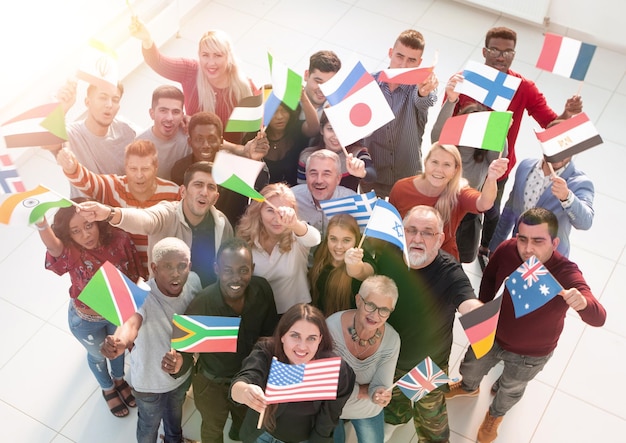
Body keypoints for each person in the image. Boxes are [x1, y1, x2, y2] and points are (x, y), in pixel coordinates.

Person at [446, 208, 606, 443]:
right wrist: (484, 307)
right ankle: (469, 387)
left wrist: (583, 303)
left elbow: (599, 317)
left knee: (510, 389)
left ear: (555, 242)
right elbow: (489, 277)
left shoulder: (566, 271)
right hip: (491, 335)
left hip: (530, 353)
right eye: (523, 239)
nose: (527, 248)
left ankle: (495, 416)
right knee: (470, 367)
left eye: (538, 241)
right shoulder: (508, 249)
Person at [447, 26, 583, 264]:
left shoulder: (524, 87)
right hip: (465, 166)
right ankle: (458, 253)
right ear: (484, 51)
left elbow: (551, 124)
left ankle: (486, 249)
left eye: (508, 52)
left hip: (498, 167)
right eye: (495, 50)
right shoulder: (465, 80)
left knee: (493, 214)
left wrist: (567, 113)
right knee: (464, 213)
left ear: (514, 54)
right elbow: (447, 122)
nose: (501, 56)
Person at [375, 205, 483, 442]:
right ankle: (396, 420)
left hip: (426, 366)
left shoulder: (450, 271)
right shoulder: (389, 253)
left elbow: (467, 301)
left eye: (427, 232)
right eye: (411, 230)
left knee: (431, 421)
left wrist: (477, 313)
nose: (417, 238)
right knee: (393, 402)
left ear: (440, 238)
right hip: (388, 357)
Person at [35, 198, 143, 418]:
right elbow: (53, 247)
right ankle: (108, 388)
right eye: (75, 231)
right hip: (86, 321)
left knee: (116, 349)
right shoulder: (71, 251)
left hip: (116, 313)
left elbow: (134, 274)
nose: (85, 235)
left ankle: (120, 379)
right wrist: (41, 224)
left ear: (97, 222)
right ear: (68, 235)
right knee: (96, 356)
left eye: (88, 226)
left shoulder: (120, 240)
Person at [171, 237, 279, 442]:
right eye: (228, 270)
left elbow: (270, 332)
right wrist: (177, 365)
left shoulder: (262, 289)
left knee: (244, 423)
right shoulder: (202, 303)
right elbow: (183, 350)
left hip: (249, 380)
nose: (236, 278)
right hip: (212, 385)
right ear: (217, 269)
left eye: (243, 270)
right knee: (212, 429)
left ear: (252, 268)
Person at [100, 237, 201, 443]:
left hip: (180, 377)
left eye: (181, 266)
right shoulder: (142, 295)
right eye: (167, 267)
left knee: (174, 417)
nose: (175, 273)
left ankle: (174, 440)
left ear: (189, 266)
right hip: (149, 385)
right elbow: (130, 323)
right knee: (148, 425)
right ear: (154, 268)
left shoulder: (194, 282)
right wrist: (119, 343)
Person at [77, 161, 233, 286]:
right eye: (198, 184)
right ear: (183, 192)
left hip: (203, 304)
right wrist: (110, 213)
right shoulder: (166, 214)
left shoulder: (222, 223)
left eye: (211, 187)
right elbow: (145, 220)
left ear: (215, 198)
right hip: (166, 303)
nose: (204, 192)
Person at [230, 303, 356, 443]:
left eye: (311, 338)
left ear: (320, 339)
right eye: (295, 336)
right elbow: (244, 380)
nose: (302, 347)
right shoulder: (266, 351)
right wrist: (245, 391)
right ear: (282, 335)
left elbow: (329, 418)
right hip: (262, 435)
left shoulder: (333, 369)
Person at [57, 139, 180, 275]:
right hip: (126, 271)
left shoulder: (174, 193)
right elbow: (87, 181)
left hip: (162, 273)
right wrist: (71, 167)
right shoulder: (113, 186)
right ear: (125, 167)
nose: (139, 175)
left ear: (156, 167)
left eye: (145, 169)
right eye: (133, 169)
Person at [130, 17, 254, 144]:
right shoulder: (191, 71)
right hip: (195, 146)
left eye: (218, 55)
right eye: (205, 55)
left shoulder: (245, 87)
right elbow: (158, 62)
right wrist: (147, 39)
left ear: (229, 57)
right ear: (199, 55)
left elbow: (255, 126)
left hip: (230, 152)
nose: (211, 63)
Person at [431, 79, 509, 263]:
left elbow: (499, 159)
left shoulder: (484, 154)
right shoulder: (448, 148)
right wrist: (451, 102)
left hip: (467, 214)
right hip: (441, 206)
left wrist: (500, 130)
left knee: (457, 259)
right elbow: (436, 136)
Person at [389, 142, 508, 261]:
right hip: (404, 255)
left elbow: (484, 203)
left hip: (441, 261)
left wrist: (492, 178)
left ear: (455, 170)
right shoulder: (401, 188)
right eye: (434, 162)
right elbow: (388, 225)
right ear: (425, 162)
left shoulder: (459, 193)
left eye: (447, 165)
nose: (439, 170)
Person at [362, 29, 439, 198]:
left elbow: (425, 100)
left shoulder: (420, 88)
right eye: (399, 56)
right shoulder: (368, 83)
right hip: (372, 174)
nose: (403, 65)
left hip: (408, 178)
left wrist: (424, 91)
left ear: (419, 62)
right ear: (390, 53)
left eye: (411, 60)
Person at [327, 275, 400, 443]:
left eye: (384, 310)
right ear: (359, 300)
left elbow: (380, 385)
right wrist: (362, 390)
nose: (376, 315)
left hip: (367, 409)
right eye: (371, 305)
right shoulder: (331, 327)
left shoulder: (392, 340)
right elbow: (325, 384)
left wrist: (378, 394)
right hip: (329, 408)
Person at [489, 143, 594, 258]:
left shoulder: (580, 183)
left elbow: (585, 222)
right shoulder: (525, 167)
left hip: (548, 260)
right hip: (518, 252)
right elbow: (509, 211)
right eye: (554, 146)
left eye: (565, 148)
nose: (559, 153)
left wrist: (567, 197)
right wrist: (495, 247)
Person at [236, 183, 320, 314]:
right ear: (259, 212)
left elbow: (315, 239)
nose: (277, 219)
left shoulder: (297, 235)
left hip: (295, 313)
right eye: (270, 210)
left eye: (283, 211)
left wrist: (294, 224)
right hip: (259, 314)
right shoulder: (246, 238)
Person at [47, 81, 136, 195]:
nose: (109, 104)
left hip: (123, 209)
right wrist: (60, 110)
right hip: (85, 209)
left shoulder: (126, 130)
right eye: (103, 97)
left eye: (115, 100)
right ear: (87, 102)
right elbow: (48, 142)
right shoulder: (72, 133)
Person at [309, 214, 375, 317]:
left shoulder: (363, 257)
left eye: (346, 240)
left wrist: (353, 264)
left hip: (345, 326)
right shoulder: (322, 251)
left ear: (356, 240)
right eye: (333, 239)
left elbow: (363, 272)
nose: (339, 246)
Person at [297, 111, 376, 192]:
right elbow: (302, 190)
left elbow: (372, 175)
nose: (336, 136)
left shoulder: (356, 154)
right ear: (321, 129)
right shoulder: (307, 156)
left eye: (342, 130)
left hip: (347, 203)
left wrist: (362, 172)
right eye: (330, 129)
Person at [244, 99, 314, 186]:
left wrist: (304, 98)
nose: (279, 116)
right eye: (273, 112)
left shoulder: (297, 130)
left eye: (284, 111)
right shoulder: (254, 140)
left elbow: (314, 129)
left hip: (296, 195)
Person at [292, 149, 356, 237]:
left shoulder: (353, 202)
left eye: (326, 174)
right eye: (313, 173)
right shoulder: (291, 198)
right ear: (306, 176)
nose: (319, 180)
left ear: (338, 179)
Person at [135, 85, 190, 180]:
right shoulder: (139, 144)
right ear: (152, 114)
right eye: (163, 111)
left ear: (182, 115)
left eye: (176, 112)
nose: (169, 118)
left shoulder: (191, 137)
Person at [170, 111, 224, 185]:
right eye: (199, 139)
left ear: (221, 142)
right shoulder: (179, 170)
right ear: (190, 142)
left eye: (211, 139)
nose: (206, 145)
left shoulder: (232, 171)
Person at [302, 50, 342, 118]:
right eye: (318, 82)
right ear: (306, 75)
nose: (322, 89)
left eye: (329, 84)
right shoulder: (284, 103)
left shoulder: (336, 114)